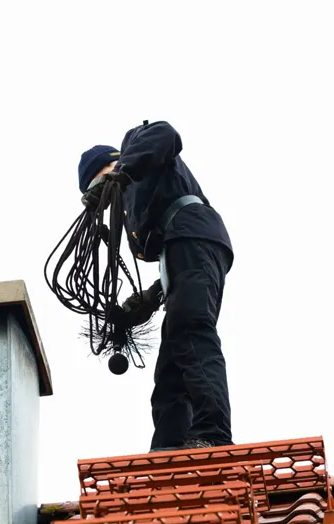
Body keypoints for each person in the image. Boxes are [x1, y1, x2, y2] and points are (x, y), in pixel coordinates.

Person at [76, 121, 235, 452]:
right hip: (183, 250)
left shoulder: (136, 148)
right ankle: (168, 450)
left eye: (98, 183)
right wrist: (149, 298)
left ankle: (213, 434)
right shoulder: (135, 211)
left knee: (191, 331)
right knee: (170, 370)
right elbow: (174, 257)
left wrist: (122, 172)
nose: (105, 197)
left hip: (193, 234)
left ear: (108, 166)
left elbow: (166, 132)